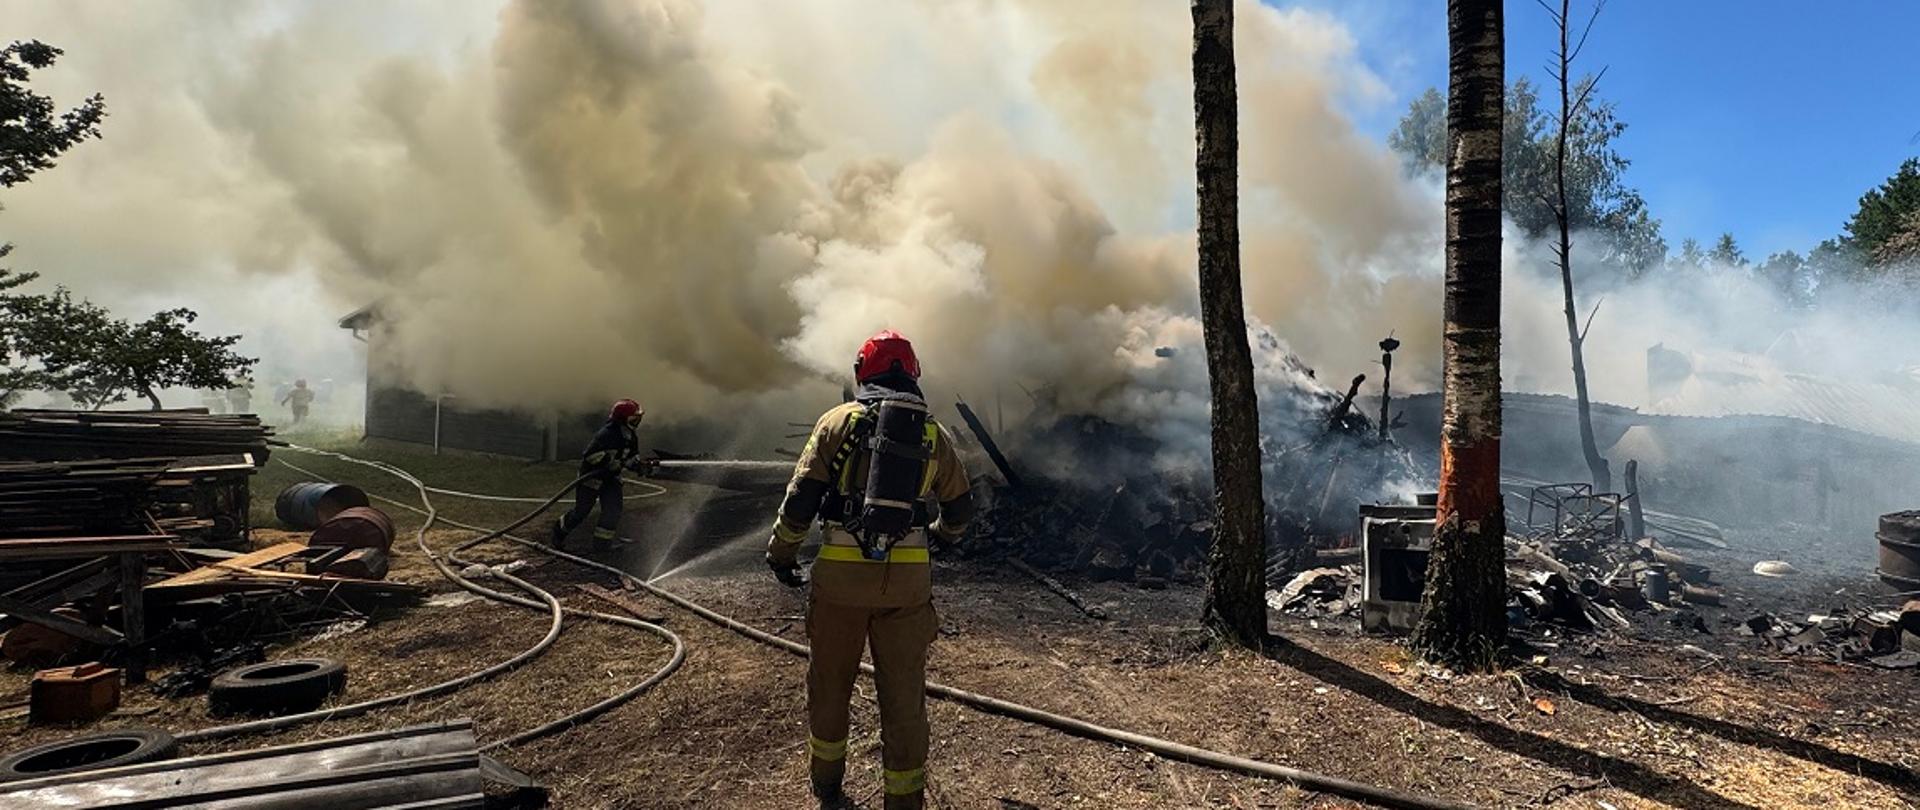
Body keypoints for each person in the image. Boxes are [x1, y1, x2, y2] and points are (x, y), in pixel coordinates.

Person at [766, 329, 974, 810]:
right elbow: (960, 510)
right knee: (904, 697)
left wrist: (782, 554)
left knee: (830, 686)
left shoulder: (836, 422)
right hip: (907, 589)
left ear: (863, 371)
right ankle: (903, 800)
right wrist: (940, 537)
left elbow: (800, 501)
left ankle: (827, 784)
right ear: (913, 372)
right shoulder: (933, 433)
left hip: (839, 587)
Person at [552, 399, 652, 551]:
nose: (637, 421)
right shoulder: (607, 434)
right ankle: (559, 532)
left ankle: (602, 545)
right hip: (591, 478)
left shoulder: (631, 436)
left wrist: (639, 466)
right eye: (634, 418)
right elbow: (590, 455)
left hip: (611, 479)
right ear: (622, 418)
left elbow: (631, 458)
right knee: (581, 512)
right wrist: (609, 463)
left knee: (613, 511)